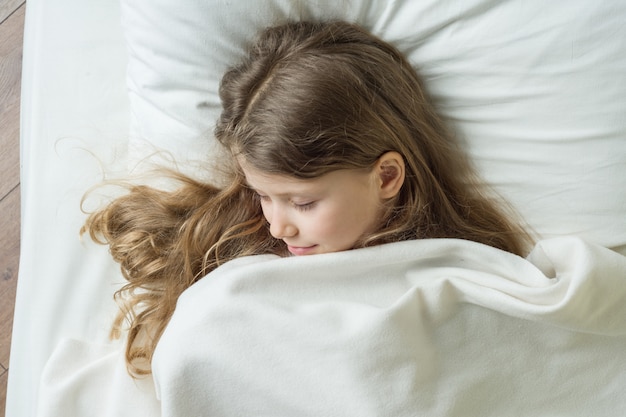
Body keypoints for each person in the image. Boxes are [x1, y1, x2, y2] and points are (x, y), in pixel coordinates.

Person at [82, 20, 532, 376]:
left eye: (303, 203)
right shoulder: (243, 253)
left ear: (387, 176)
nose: (279, 227)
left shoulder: (457, 264)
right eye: (262, 195)